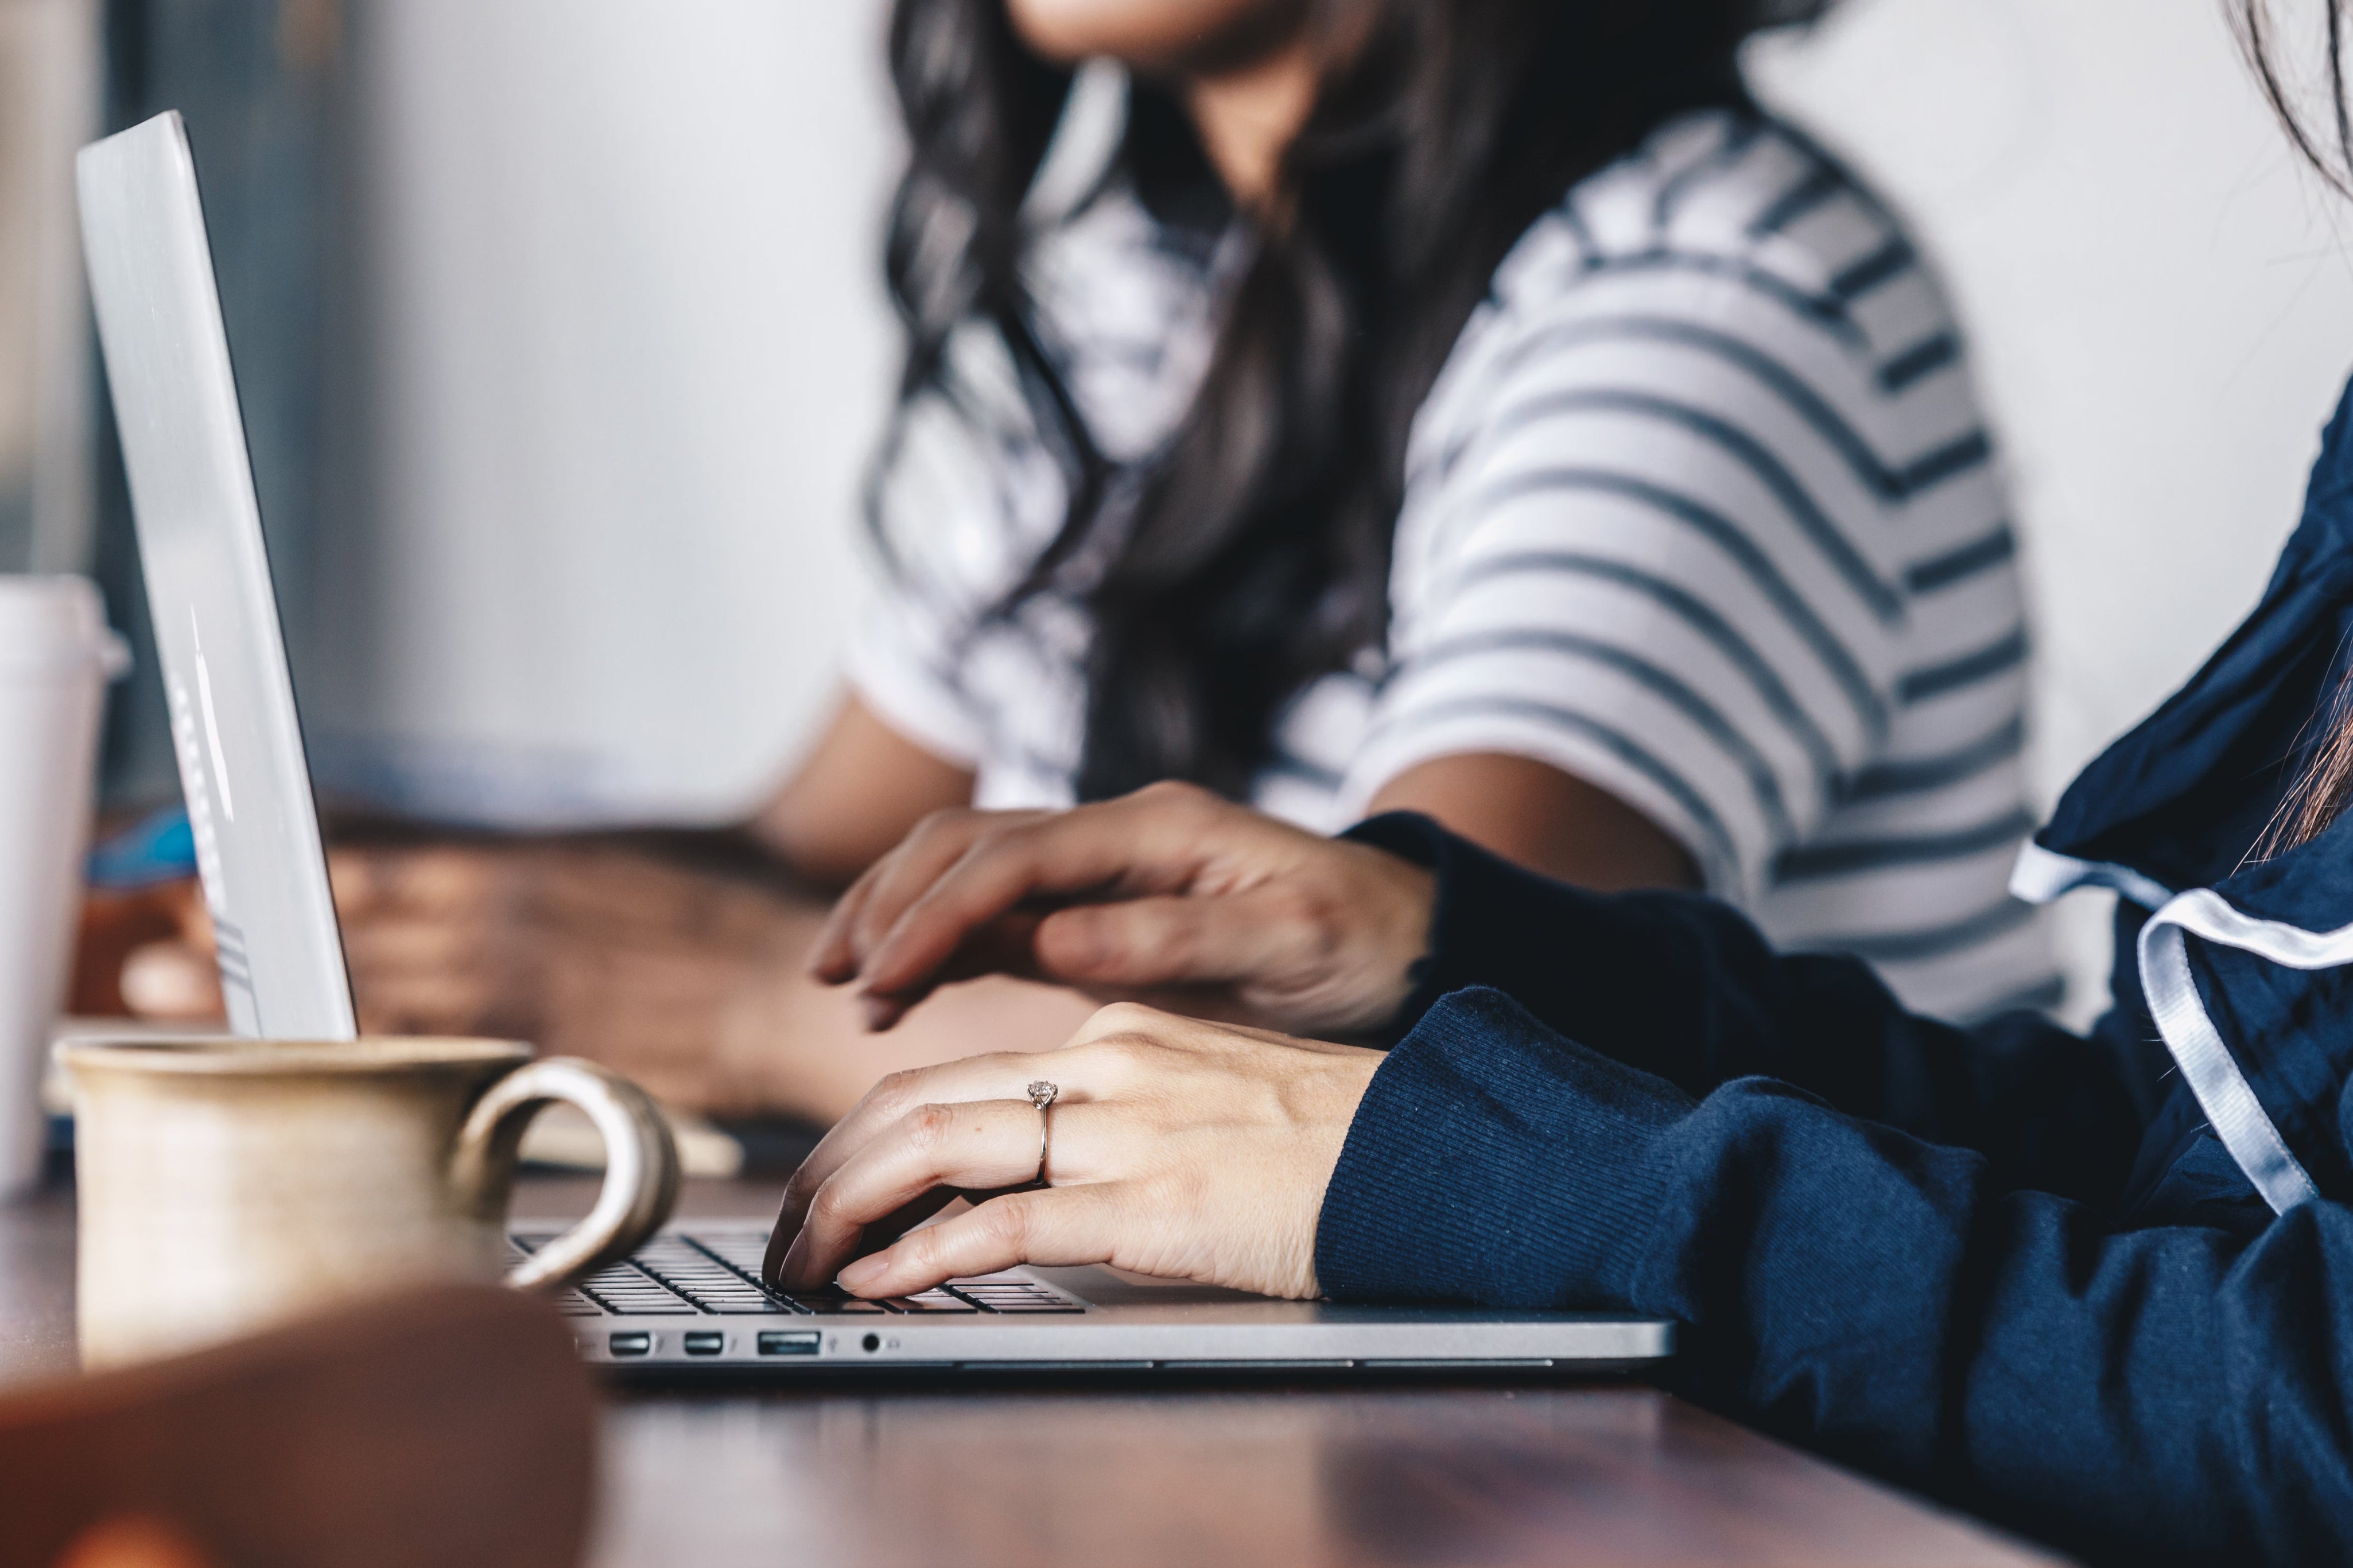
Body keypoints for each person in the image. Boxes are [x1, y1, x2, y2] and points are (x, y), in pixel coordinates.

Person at [759, 9, 2353, 1557]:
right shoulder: (1130, 281)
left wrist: (1455, 1166)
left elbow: (2305, 1415)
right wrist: (1448, 944)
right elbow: (2176, 1175)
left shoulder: (1700, 279)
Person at [127, 0, 2051, 1117]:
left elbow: (1449, 1051)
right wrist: (353, 901)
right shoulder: (1139, 287)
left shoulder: (1702, 295)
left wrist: (729, 1009)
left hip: (1705, 1476)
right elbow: (814, 866)